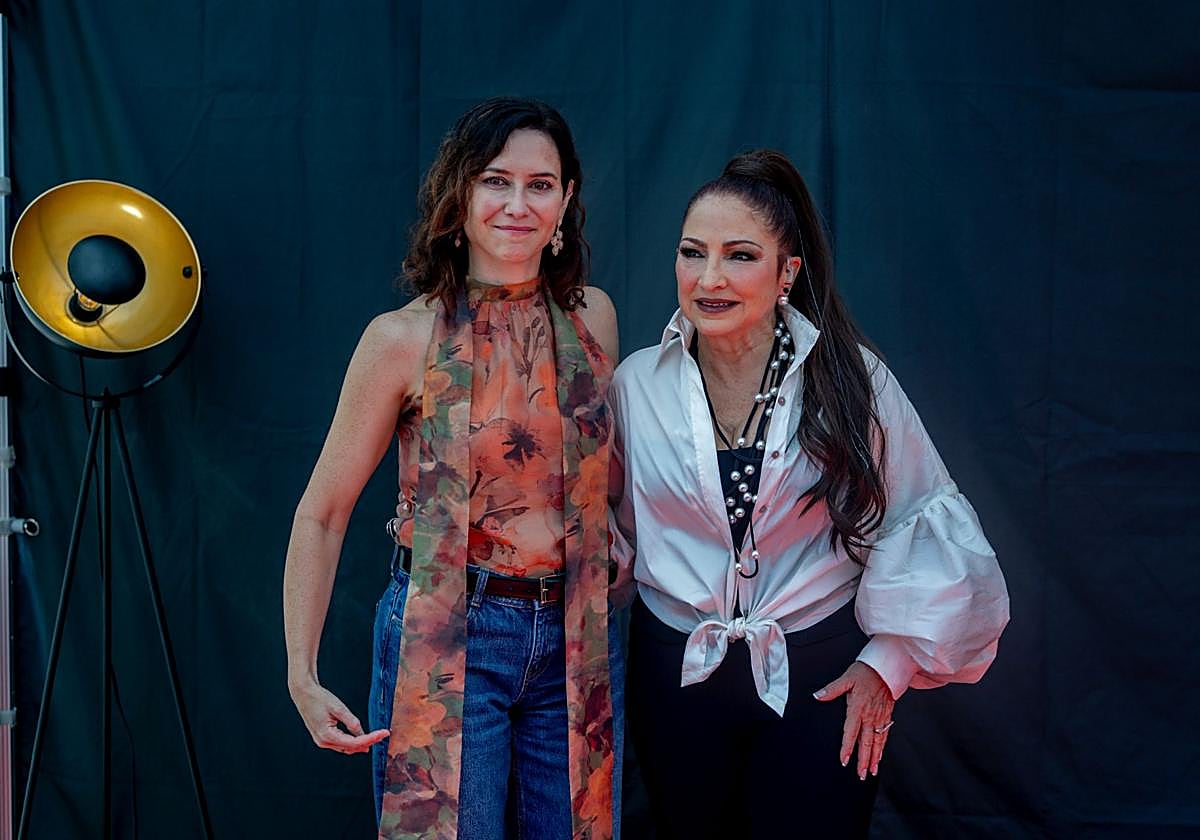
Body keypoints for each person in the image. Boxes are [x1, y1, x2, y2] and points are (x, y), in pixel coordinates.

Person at [607, 149, 1010, 838]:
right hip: (674, 676)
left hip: (818, 674)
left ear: (786, 272)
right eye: (692, 253)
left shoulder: (853, 379)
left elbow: (920, 515)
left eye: (739, 256)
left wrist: (887, 665)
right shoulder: (636, 384)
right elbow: (615, 532)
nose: (709, 277)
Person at [284, 97, 622, 840]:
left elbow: (597, 474)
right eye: (496, 181)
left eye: (540, 185)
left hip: (577, 636)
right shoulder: (402, 339)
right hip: (449, 635)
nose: (517, 204)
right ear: (460, 195)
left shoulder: (593, 318)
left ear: (565, 199)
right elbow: (324, 512)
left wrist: (612, 533)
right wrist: (301, 675)